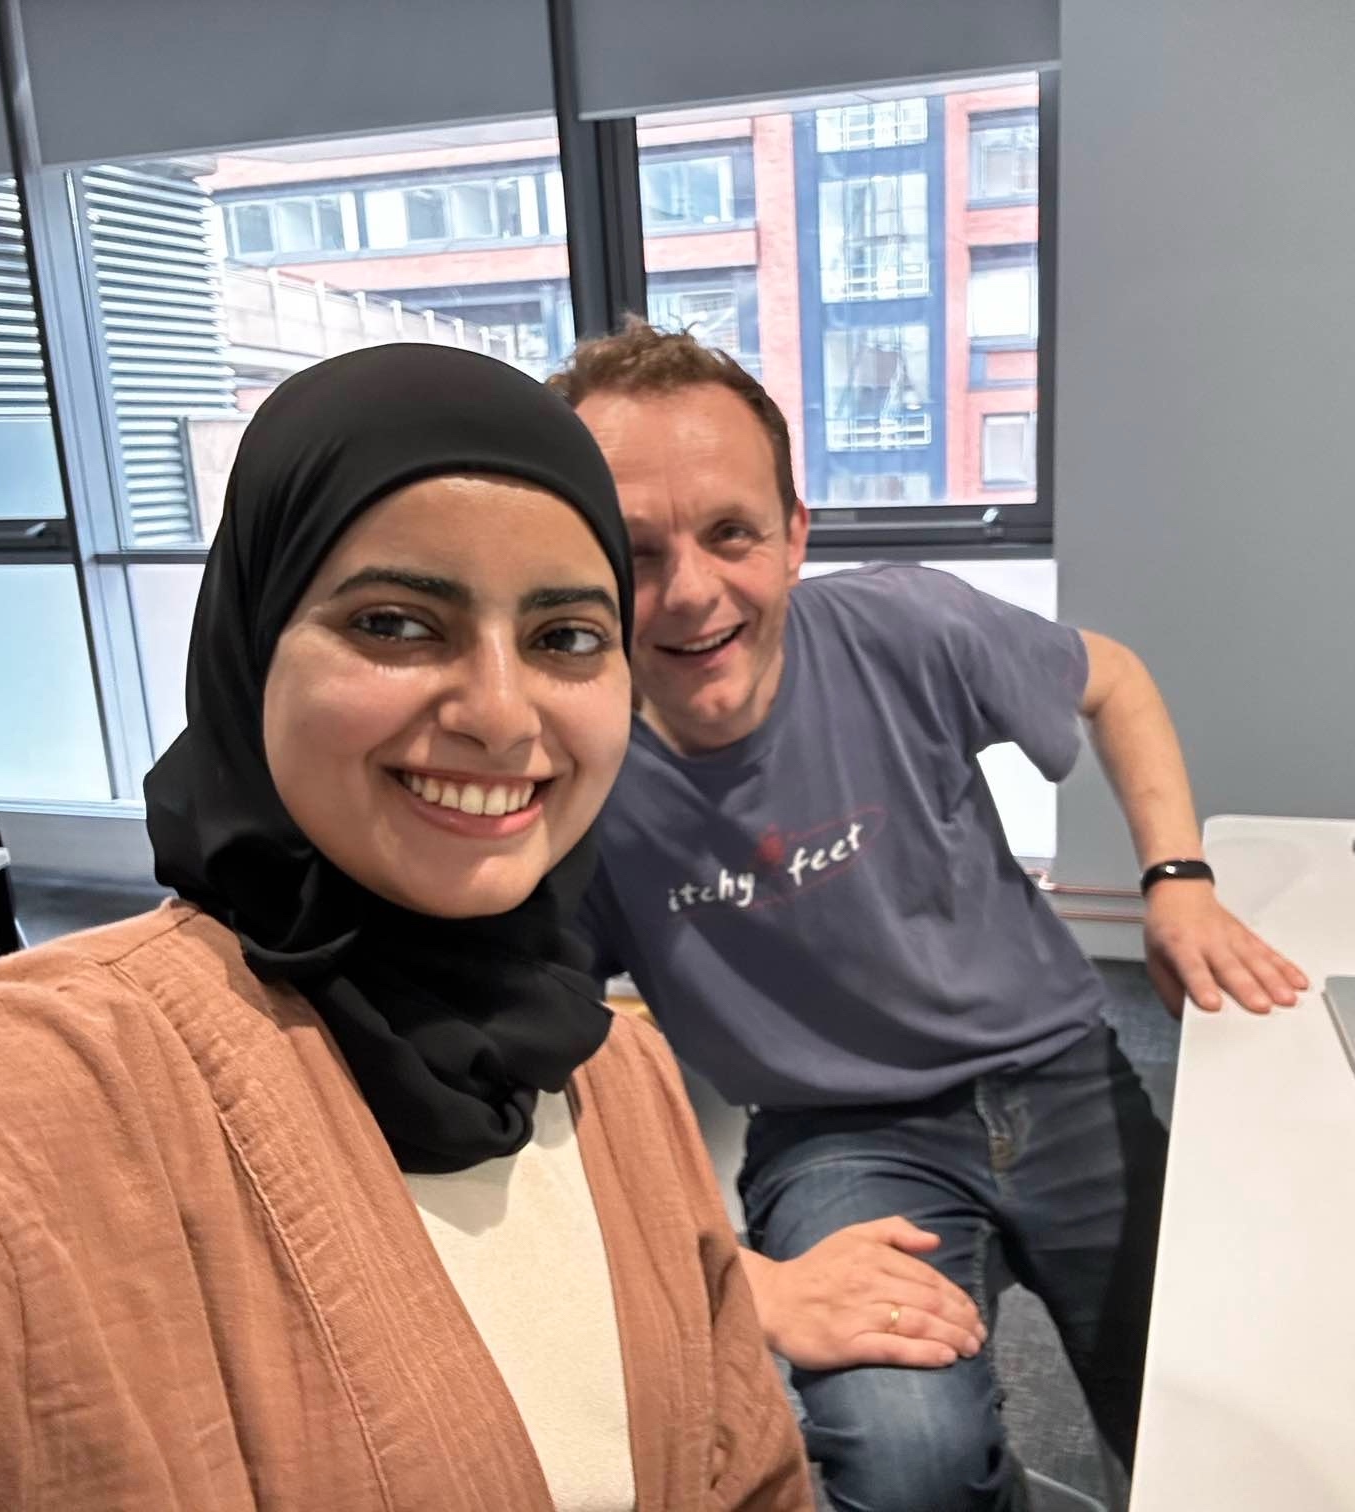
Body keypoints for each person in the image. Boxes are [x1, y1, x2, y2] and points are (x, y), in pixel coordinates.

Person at [0, 345, 808, 1511]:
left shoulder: (620, 1079)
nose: (499, 715)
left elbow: (748, 1475)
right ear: (252, 645)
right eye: (396, 622)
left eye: (566, 638)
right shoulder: (22, 1099)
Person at [551, 323, 1309, 1511]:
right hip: (842, 1135)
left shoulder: (909, 627)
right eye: (637, 553)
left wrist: (1176, 881)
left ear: (796, 538)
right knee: (906, 1465)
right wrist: (728, 1271)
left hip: (1057, 1071)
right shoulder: (573, 779)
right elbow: (540, 1058)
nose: (692, 590)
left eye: (732, 533)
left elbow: (1111, 677)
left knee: (1206, 1406)